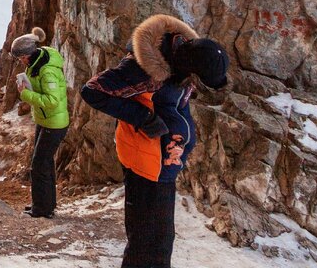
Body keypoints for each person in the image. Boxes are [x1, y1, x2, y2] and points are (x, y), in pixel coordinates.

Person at [80, 14, 229, 268]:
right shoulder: (143, 69)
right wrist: (143, 119)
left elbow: (172, 101)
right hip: (144, 163)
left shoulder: (182, 61)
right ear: (191, 70)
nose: (198, 88)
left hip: (162, 165)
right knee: (144, 242)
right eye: (199, 82)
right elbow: (92, 90)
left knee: (160, 240)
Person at [10, 25, 69, 218]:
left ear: (28, 54)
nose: (20, 61)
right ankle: (45, 204)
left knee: (39, 165)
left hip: (54, 123)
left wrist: (26, 94)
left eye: (20, 57)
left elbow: (52, 102)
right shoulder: (36, 63)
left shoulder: (47, 71)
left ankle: (42, 209)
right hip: (45, 121)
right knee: (44, 164)